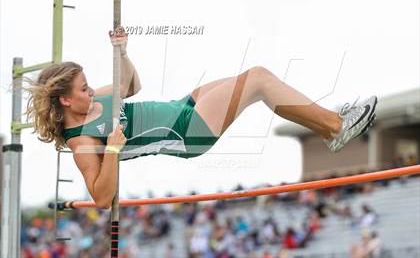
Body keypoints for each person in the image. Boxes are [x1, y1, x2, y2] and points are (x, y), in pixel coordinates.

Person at [24, 26, 377, 209]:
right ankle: (335, 125)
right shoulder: (82, 142)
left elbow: (130, 85)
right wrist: (113, 151)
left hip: (181, 107)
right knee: (257, 79)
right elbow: (101, 199)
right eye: (83, 89)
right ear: (65, 100)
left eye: (88, 86)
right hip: (186, 133)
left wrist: (124, 52)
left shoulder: (92, 101)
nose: (90, 91)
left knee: (254, 80)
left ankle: (332, 130)